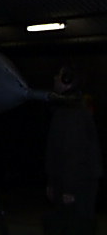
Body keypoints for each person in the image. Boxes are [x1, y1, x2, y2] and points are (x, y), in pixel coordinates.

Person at [44, 65, 103, 235]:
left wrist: (70, 188)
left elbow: (73, 151)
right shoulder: (67, 108)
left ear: (67, 81)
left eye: (59, 75)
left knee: (76, 225)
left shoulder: (73, 112)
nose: (55, 78)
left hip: (78, 183)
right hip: (72, 181)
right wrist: (52, 181)